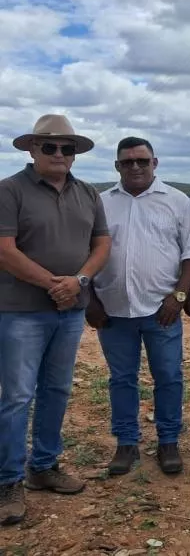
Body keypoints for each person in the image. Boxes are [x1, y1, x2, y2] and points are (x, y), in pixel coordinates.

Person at [0, 115, 111, 526]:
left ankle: (43, 466)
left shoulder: (87, 193)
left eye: (67, 148)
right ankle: (7, 480)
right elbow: (4, 250)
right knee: (16, 397)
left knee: (57, 390)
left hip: (69, 311)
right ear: (32, 149)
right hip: (20, 312)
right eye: (50, 147)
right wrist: (53, 283)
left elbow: (102, 244)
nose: (60, 155)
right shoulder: (9, 191)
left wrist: (79, 280)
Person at [90, 137, 190, 476]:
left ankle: (168, 442)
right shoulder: (101, 203)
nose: (136, 167)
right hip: (112, 310)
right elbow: (86, 253)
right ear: (117, 167)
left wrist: (180, 295)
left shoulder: (177, 201)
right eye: (127, 162)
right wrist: (91, 300)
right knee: (122, 379)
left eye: (142, 160)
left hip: (162, 310)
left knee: (169, 376)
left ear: (155, 163)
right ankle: (126, 444)